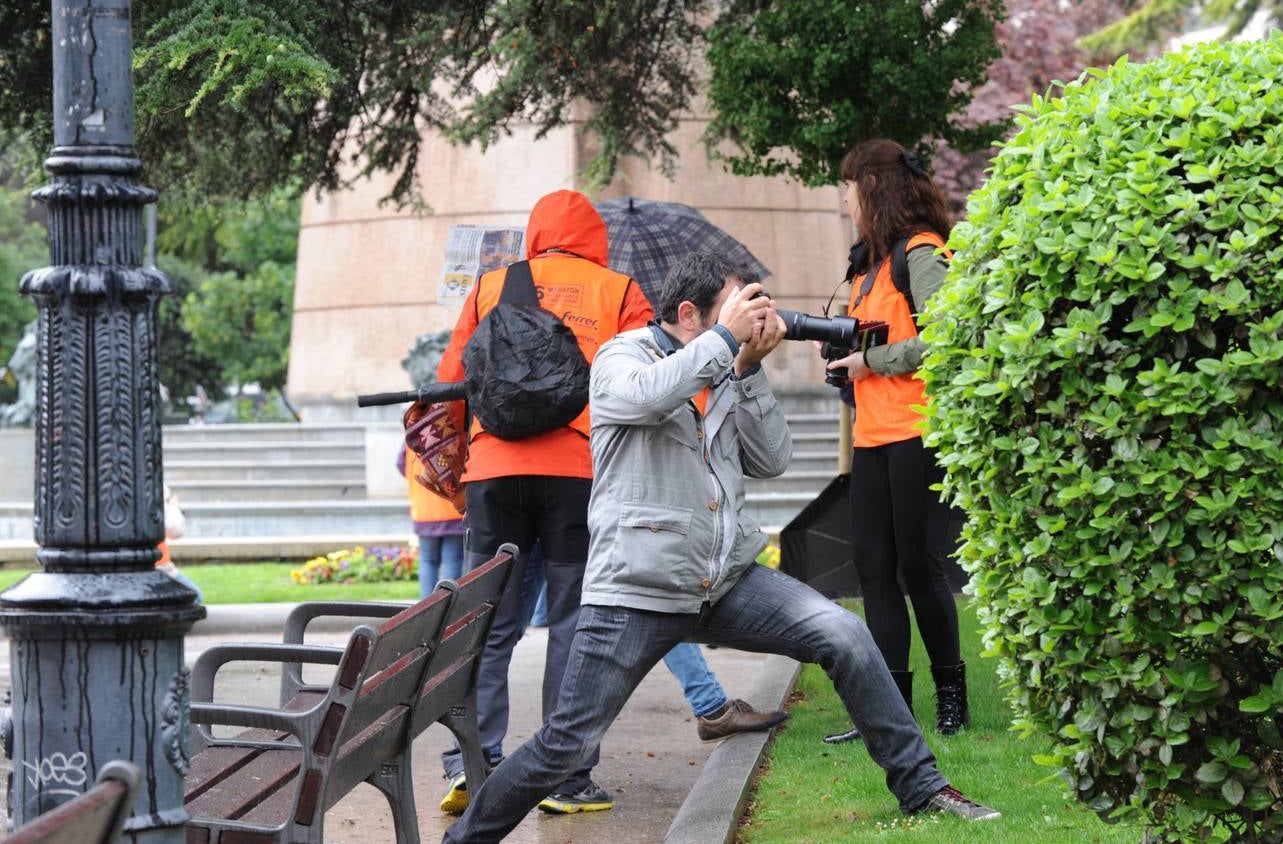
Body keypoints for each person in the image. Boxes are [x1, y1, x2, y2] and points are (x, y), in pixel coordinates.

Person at [440, 251, 998, 843]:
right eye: (739, 309)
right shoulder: (620, 356)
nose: (754, 323)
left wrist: (749, 370)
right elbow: (646, 398)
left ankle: (923, 788)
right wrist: (726, 342)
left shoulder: (727, 365)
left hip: (723, 582)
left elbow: (771, 459)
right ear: (690, 312)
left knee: (844, 634)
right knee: (564, 746)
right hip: (636, 589)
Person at [434, 190, 653, 815]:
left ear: (536, 234)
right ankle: (567, 776)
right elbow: (651, 383)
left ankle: (472, 764)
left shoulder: (490, 286)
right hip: (575, 475)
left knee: (488, 624)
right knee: (571, 624)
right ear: (593, 235)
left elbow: (454, 380)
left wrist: (457, 468)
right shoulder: (618, 291)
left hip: (494, 474)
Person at [821, 139, 970, 744]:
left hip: (916, 432)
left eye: (851, 187)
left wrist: (871, 361)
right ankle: (891, 709)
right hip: (872, 437)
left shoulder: (922, 253)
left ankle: (952, 701)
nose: (846, 200)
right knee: (874, 570)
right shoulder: (867, 263)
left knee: (918, 567)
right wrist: (844, 358)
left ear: (874, 188)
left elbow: (948, 338)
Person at [396, 445, 464, 597]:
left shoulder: (413, 431)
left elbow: (401, 464)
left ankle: (425, 610)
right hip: (452, 509)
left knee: (428, 561)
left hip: (424, 510)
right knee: (453, 561)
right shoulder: (449, 428)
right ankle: (448, 607)